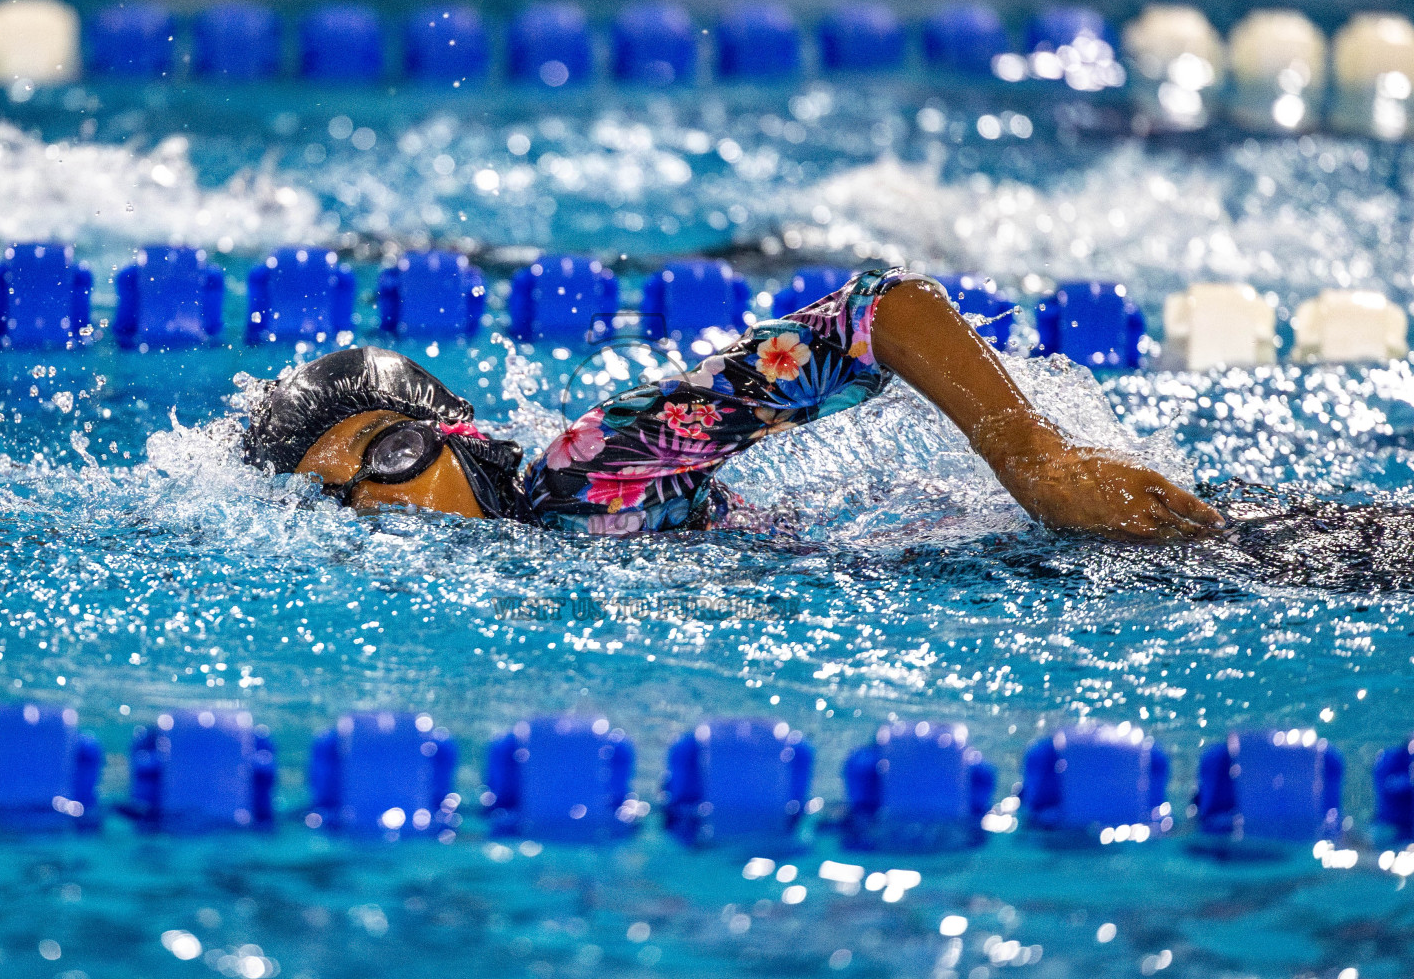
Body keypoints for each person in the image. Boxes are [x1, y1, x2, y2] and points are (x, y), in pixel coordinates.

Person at [243, 268, 1225, 541]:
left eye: (385, 455)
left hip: (1081, 548)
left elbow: (882, 310)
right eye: (326, 499)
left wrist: (1040, 466)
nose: (369, 504)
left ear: (461, 440)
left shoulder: (584, 475)